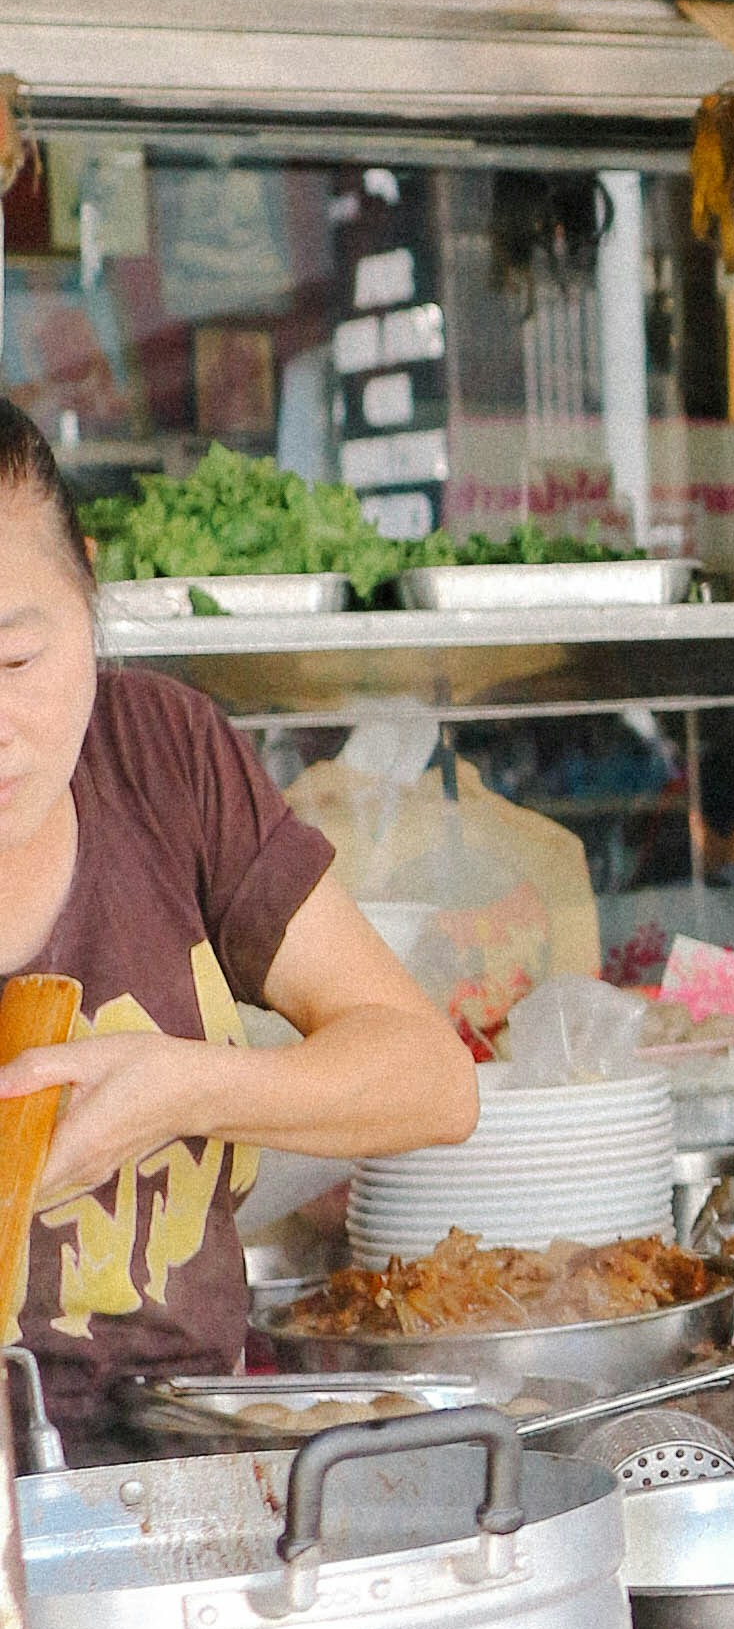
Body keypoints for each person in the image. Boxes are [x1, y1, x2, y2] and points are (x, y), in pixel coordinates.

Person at [0, 399, 477, 1438]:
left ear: (87, 587)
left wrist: (182, 1090)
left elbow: (429, 1080)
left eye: (16, 663)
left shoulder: (159, 757)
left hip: (186, 1468)